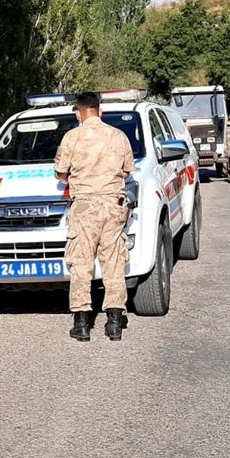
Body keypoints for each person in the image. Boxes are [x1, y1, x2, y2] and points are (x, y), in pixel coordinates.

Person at [54, 92, 135, 342]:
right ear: (100, 111)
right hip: (113, 204)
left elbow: (60, 173)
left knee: (81, 263)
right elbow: (127, 170)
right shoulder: (118, 136)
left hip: (85, 206)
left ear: (78, 113)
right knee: (113, 262)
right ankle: (114, 323)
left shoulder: (72, 137)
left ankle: (81, 324)